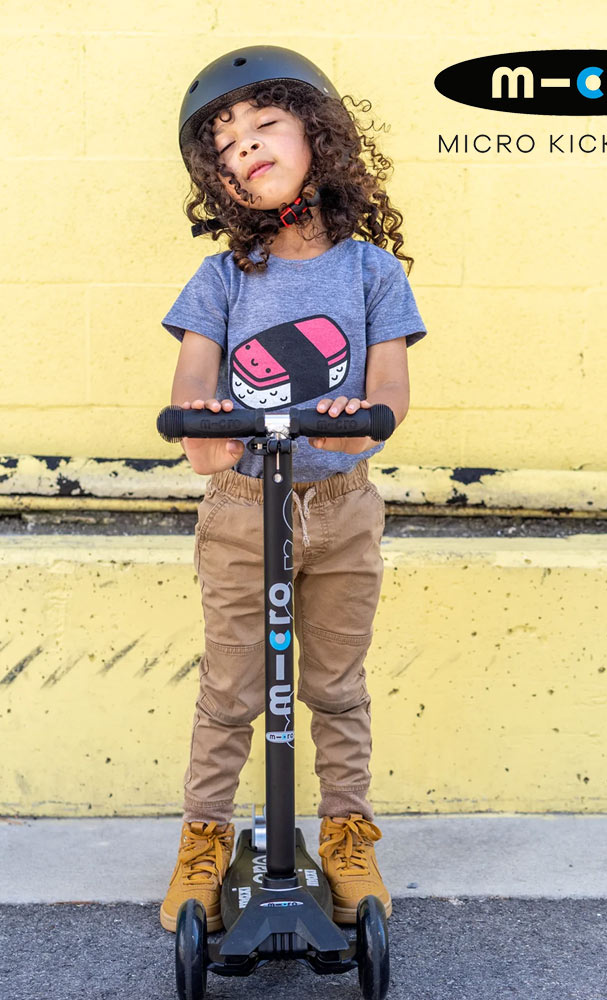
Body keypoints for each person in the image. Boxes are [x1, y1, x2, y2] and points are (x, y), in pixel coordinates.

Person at [158, 46, 427, 934]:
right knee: (232, 688)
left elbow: (389, 393)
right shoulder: (222, 279)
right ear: (221, 182)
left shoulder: (370, 273)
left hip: (342, 505)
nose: (246, 149)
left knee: (337, 684)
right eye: (227, 146)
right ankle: (204, 838)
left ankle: (347, 833)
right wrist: (203, 422)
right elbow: (191, 388)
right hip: (242, 510)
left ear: (319, 137)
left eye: (264, 125)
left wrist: (365, 419)